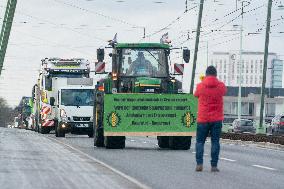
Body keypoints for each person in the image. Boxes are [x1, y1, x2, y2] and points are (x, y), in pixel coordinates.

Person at [194, 66, 227, 172]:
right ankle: (214, 165)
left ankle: (199, 164)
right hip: (216, 119)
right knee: (215, 142)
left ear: (206, 74)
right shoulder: (221, 86)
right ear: (216, 74)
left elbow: (195, 95)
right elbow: (224, 92)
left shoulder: (200, 86)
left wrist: (203, 81)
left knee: (200, 142)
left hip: (203, 119)